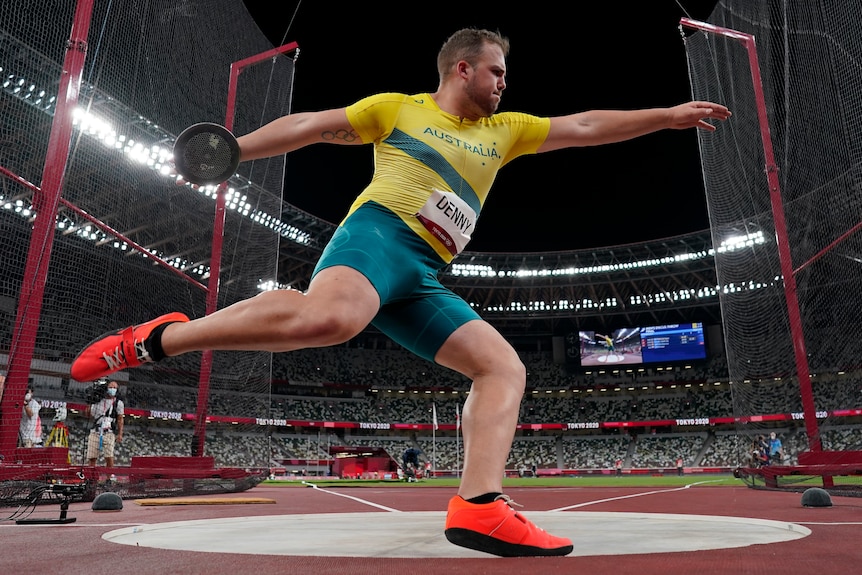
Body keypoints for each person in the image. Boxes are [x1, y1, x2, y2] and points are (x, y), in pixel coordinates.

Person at [70, 28, 730, 556]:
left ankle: (479, 507)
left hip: (421, 274)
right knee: (332, 317)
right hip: (377, 237)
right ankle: (155, 338)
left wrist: (666, 115)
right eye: (497, 71)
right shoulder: (398, 109)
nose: (506, 83)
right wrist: (233, 151)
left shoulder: (505, 133)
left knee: (502, 368)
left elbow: (584, 125)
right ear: (462, 69)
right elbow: (311, 125)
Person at [85, 380, 124, 468]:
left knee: (109, 456)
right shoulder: (98, 401)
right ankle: (92, 477)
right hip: (95, 430)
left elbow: (120, 419)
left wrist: (120, 433)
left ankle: (108, 478)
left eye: (115, 388)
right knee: (92, 457)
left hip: (109, 432)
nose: (113, 389)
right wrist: (89, 403)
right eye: (111, 387)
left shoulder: (118, 403)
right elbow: (89, 415)